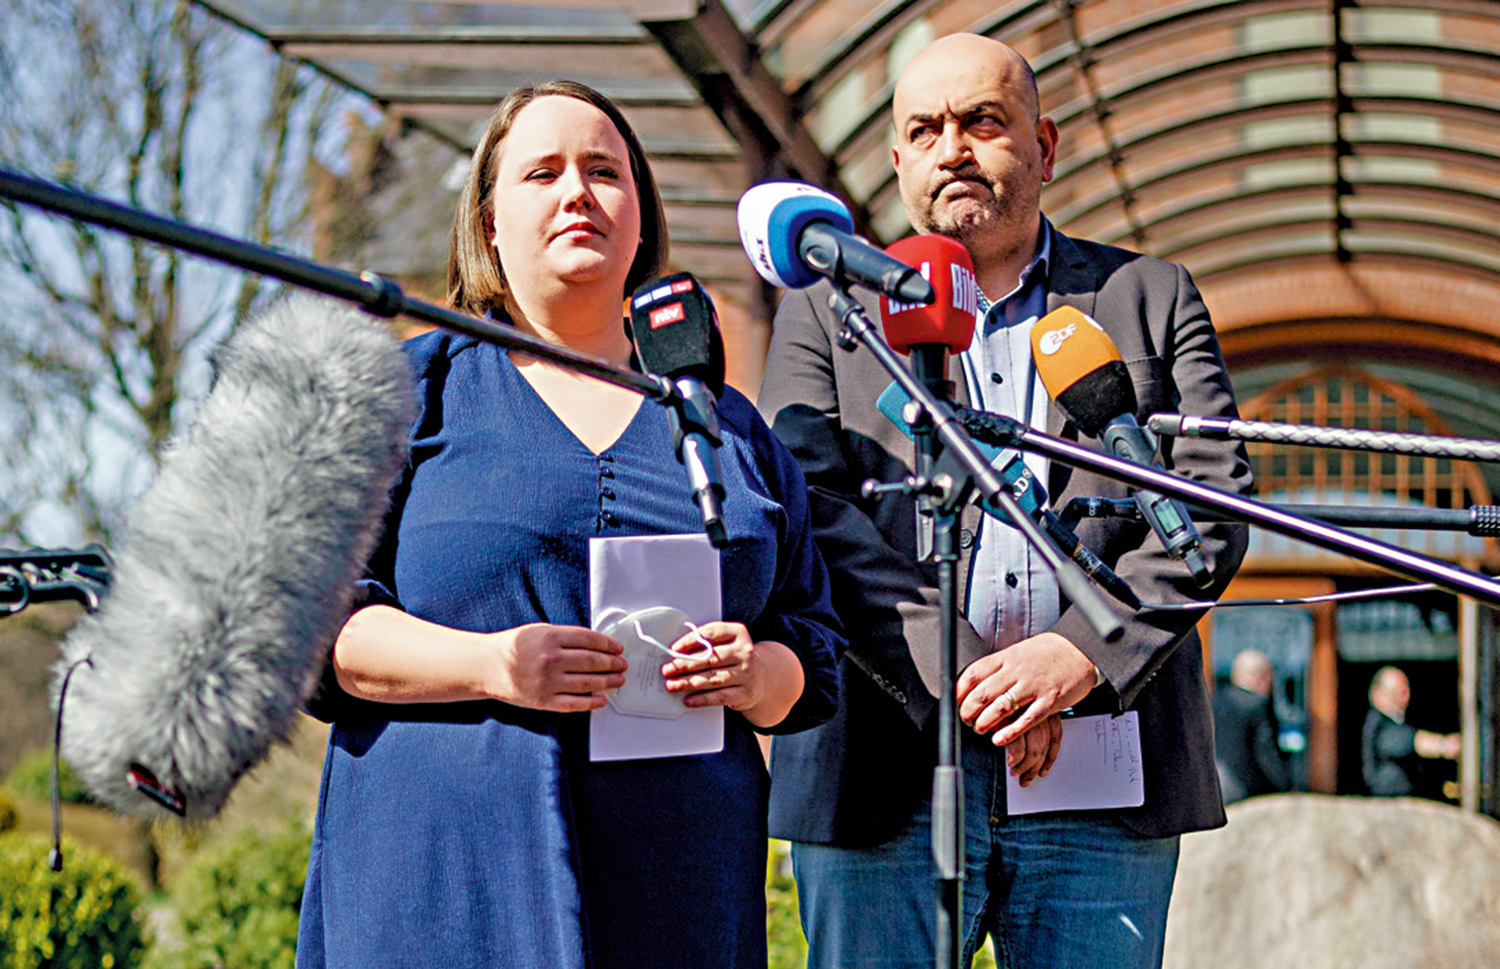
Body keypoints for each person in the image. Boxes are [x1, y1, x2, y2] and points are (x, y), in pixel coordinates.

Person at [295, 80, 843, 969]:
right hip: (445, 887)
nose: (577, 192)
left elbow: (811, 655)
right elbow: (316, 631)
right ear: (490, 223)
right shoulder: (402, 393)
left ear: (640, 214)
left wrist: (752, 672)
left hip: (680, 895)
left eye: (603, 171)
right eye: (542, 173)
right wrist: (490, 663)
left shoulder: (727, 424)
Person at [757, 33, 1253, 969]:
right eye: (925, 130)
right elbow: (813, 510)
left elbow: (1214, 502)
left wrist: (1078, 655)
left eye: (983, 121)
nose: (953, 148)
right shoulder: (825, 309)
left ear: (1044, 145)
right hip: (885, 773)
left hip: (1103, 780)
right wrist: (977, 679)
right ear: (898, 159)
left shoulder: (1147, 296)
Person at [1362, 665, 1460, 798]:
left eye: (1404, 690)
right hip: (1390, 802)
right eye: (1394, 692)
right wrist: (1444, 745)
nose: (1404, 695)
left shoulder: (1398, 721)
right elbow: (1407, 741)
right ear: (1377, 693)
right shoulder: (1378, 724)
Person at [1212, 649, 1291, 804]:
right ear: (1260, 677)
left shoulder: (1214, 701)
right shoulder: (1258, 705)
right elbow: (1266, 752)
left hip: (1216, 787)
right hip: (1249, 791)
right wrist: (1284, 786)